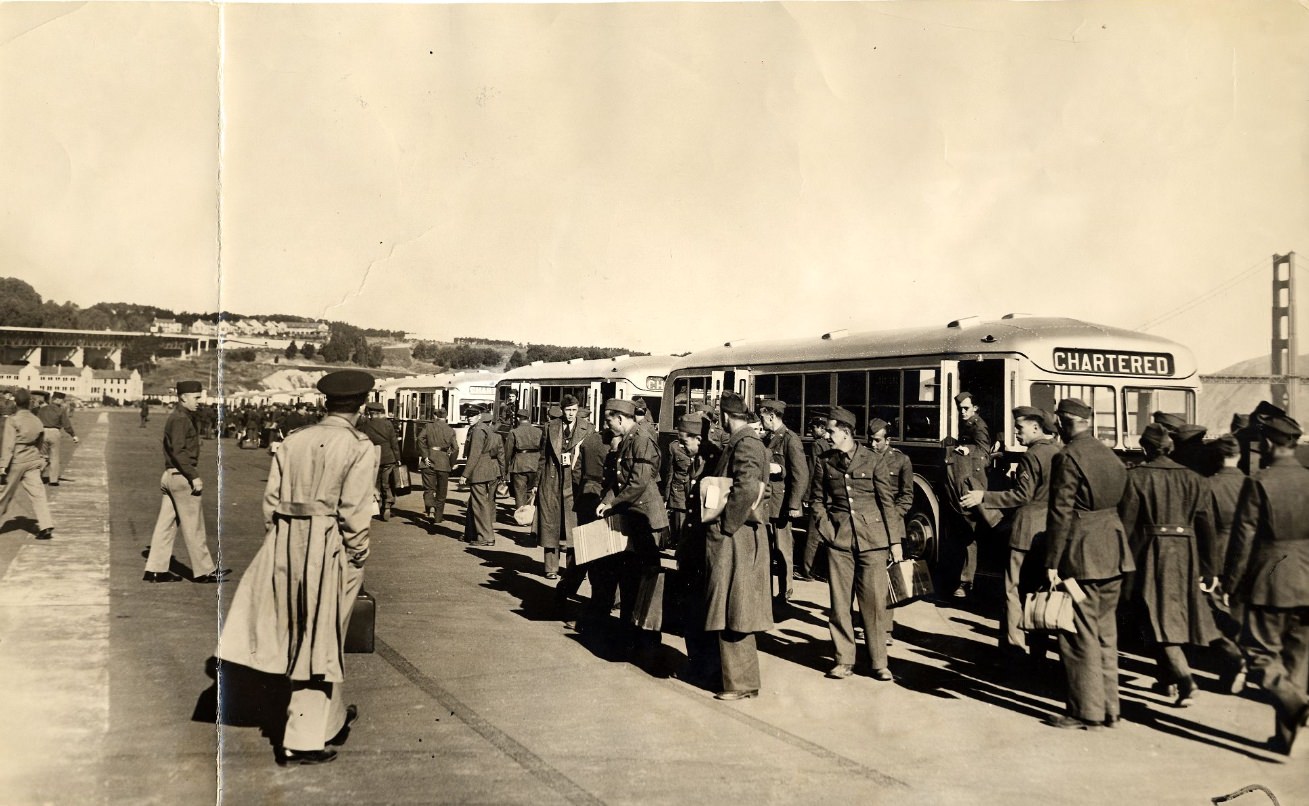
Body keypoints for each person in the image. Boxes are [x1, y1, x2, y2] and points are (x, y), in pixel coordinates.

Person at [215, 369, 378, 766]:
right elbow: (355, 513)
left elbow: (270, 501)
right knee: (318, 640)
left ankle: (331, 719)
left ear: (326, 402)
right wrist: (357, 554)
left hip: (284, 542)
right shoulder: (360, 446)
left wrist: (280, 539)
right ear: (360, 405)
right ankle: (302, 740)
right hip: (329, 547)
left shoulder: (294, 439)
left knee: (306, 632)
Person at [1043, 398, 1132, 730]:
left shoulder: (1068, 457)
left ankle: (1086, 712)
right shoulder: (1110, 454)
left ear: (1064, 422)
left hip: (1082, 556)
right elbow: (1128, 504)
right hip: (1114, 551)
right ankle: (1111, 709)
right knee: (1106, 634)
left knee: (1079, 634)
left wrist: (1052, 562)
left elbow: (1060, 513)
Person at [1222, 413, 1309, 756]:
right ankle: (1284, 739)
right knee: (1298, 661)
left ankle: (1292, 702)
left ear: (1270, 444)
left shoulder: (1259, 481)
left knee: (1259, 653)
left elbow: (1243, 539)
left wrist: (1231, 582)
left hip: (1272, 579)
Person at [1118, 423, 1218, 707]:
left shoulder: (1137, 478)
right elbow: (1206, 526)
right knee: (1170, 615)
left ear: (1146, 448)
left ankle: (1185, 679)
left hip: (1151, 552)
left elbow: (1127, 525)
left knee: (1156, 616)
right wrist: (1211, 569)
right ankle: (1168, 681)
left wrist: (1123, 562)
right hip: (1186, 553)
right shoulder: (1194, 479)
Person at [809, 407, 904, 682]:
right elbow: (816, 500)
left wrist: (894, 541)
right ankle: (843, 660)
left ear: (847, 433)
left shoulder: (873, 460)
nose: (827, 435)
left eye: (831, 431)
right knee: (839, 605)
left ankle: (878, 662)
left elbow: (887, 503)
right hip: (839, 540)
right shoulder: (825, 461)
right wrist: (827, 529)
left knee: (873, 605)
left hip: (873, 541)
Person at [960, 407, 1058, 658]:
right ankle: (1039, 651)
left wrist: (984, 496)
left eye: (1020, 428)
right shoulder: (1059, 453)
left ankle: (1013, 648)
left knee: (1013, 591)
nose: (1017, 432)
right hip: (1050, 531)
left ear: (1036, 428)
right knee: (1039, 592)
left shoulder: (1032, 456)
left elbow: (1021, 496)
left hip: (1026, 532)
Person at [704, 393, 774, 700]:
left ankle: (741, 683)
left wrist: (727, 524)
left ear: (725, 417)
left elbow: (746, 487)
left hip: (737, 536)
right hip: (740, 535)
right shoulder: (749, 441)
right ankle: (738, 680)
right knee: (735, 606)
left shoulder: (745, 443)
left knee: (735, 607)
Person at [597, 398, 669, 648]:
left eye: (609, 421)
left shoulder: (640, 439)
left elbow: (638, 482)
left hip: (644, 518)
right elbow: (619, 478)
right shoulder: (628, 439)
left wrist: (613, 502)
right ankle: (629, 632)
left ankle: (647, 638)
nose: (607, 426)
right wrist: (607, 499)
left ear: (620, 418)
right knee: (629, 576)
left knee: (643, 579)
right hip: (632, 514)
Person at [143, 380, 229, 584]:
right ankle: (205, 571)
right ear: (183, 397)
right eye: (197, 397)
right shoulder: (181, 419)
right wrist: (193, 475)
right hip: (182, 477)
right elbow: (179, 450)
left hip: (170, 476)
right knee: (194, 526)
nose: (200, 401)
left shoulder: (177, 417)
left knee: (165, 526)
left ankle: (155, 569)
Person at [670, 413, 722, 685]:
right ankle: (697, 664)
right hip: (692, 545)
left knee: (702, 611)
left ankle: (706, 668)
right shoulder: (699, 459)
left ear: (698, 439)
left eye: (684, 441)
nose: (681, 446)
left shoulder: (715, 462)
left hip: (705, 547)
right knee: (691, 609)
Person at [534, 395, 602, 580]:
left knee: (575, 525)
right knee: (550, 524)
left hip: (575, 483)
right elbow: (542, 457)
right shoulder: (550, 427)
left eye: (574, 410)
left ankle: (574, 569)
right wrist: (536, 484)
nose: (571, 414)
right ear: (562, 411)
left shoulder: (588, 428)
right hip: (552, 480)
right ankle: (551, 567)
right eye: (568, 410)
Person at [1206, 435, 1249, 693]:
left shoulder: (1209, 485)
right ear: (1239, 457)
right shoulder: (1252, 483)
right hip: (1251, 557)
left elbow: (1205, 528)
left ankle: (1234, 662)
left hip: (1219, 556)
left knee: (1216, 615)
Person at [758, 399, 808, 605]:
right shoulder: (767, 438)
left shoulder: (790, 439)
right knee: (767, 550)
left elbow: (801, 474)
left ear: (771, 416)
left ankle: (784, 591)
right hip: (766, 502)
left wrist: (794, 505)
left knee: (783, 549)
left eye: (763, 417)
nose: (761, 421)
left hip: (780, 504)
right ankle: (767, 592)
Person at [948, 391, 990, 599]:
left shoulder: (978, 425)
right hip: (966, 482)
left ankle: (967, 582)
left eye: (966, 408)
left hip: (974, 484)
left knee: (969, 533)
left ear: (975, 408)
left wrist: (968, 449)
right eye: (960, 409)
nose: (963, 412)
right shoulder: (968, 423)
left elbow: (985, 454)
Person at [0, 389, 54, 540]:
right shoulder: (36, 420)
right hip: (32, 460)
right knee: (38, 494)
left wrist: (2, 466)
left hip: (16, 461)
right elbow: (40, 441)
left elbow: (8, 445)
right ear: (29, 402)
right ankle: (45, 525)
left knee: (4, 496)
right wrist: (39, 457)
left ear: (16, 402)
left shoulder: (13, 420)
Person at [797, 415, 833, 582]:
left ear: (821, 428)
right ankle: (825, 572)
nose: (811, 432)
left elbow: (812, 471)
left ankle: (806, 570)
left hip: (818, 494)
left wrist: (806, 494)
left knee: (812, 534)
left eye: (813, 428)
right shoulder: (832, 444)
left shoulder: (817, 445)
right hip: (831, 495)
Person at [462, 408, 503, 546]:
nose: (469, 418)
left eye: (473, 416)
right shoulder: (485, 428)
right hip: (487, 469)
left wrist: (465, 474)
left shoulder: (478, 430)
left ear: (479, 416)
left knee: (480, 504)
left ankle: (486, 537)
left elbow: (474, 454)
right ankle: (470, 533)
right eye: (468, 416)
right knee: (474, 503)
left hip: (479, 470)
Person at [416, 408, 459, 531]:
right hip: (443, 463)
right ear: (446, 417)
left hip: (428, 461)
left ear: (435, 416)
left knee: (429, 488)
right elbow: (455, 449)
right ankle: (438, 517)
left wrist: (425, 456)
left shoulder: (428, 427)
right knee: (442, 492)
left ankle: (430, 506)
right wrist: (451, 463)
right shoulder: (450, 430)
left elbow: (420, 439)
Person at [357, 402, 400, 521]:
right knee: (386, 483)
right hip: (388, 457)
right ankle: (387, 505)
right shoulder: (388, 424)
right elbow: (394, 443)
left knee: (374, 482)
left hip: (372, 457)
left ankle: (375, 504)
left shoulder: (365, 425)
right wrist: (398, 458)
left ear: (370, 413)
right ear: (380, 412)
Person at [503, 410, 543, 512]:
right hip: (535, 463)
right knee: (532, 491)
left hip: (519, 465)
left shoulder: (514, 432)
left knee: (520, 492)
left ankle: (521, 516)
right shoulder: (539, 431)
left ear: (517, 418)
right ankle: (530, 514)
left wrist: (505, 468)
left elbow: (508, 452)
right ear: (529, 418)